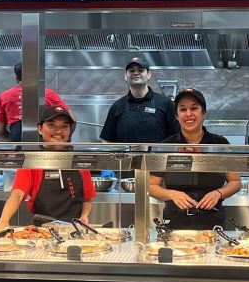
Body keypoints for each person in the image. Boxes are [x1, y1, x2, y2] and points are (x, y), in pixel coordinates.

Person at [147, 88, 239, 229]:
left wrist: (218, 193)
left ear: (203, 113)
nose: (188, 114)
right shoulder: (165, 146)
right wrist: (171, 194)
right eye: (183, 109)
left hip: (212, 221)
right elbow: (152, 186)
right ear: (177, 116)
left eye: (194, 108)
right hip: (175, 221)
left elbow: (235, 181)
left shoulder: (220, 144)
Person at [0, 105, 94, 230]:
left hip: (74, 231)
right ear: (40, 129)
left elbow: (87, 200)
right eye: (52, 125)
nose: (59, 130)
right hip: (42, 234)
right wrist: (3, 220)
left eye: (64, 126)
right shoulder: (32, 161)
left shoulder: (78, 161)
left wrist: (84, 216)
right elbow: (17, 194)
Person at [100, 58, 178, 143]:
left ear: (149, 74)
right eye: (131, 70)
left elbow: (177, 136)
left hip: (157, 156)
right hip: (126, 156)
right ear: (126, 76)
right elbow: (107, 141)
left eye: (140, 70)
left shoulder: (165, 103)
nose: (136, 73)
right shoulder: (117, 106)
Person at [0, 63, 68, 141]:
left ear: (17, 79)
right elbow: (72, 118)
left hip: (18, 139)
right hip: (44, 142)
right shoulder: (48, 94)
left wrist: (13, 140)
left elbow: (0, 130)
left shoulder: (4, 96)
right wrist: (66, 138)